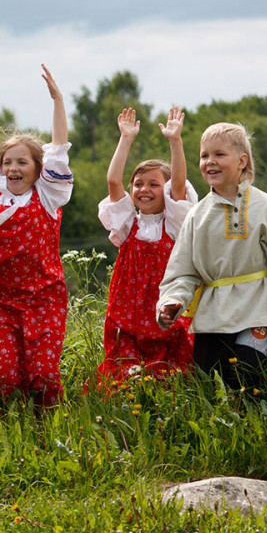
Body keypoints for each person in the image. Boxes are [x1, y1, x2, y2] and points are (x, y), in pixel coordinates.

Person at [157, 122, 267, 390]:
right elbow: (182, 271)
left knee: (247, 381)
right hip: (212, 317)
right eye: (204, 156)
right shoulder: (196, 216)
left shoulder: (265, 207)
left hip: (257, 313)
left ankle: (257, 432)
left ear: (242, 161)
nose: (210, 162)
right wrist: (172, 299)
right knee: (211, 388)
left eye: (219, 154)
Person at [0, 60, 73, 408]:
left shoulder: (47, 194)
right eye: (8, 161)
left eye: (22, 162)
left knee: (42, 376)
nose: (13, 168)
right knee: (1, 377)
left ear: (38, 170)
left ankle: (46, 434)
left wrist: (57, 101)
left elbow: (58, 147)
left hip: (41, 297)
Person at [96, 107, 197, 391]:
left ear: (165, 192)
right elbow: (114, 181)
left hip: (164, 305)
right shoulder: (128, 223)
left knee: (171, 369)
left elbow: (178, 183)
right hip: (127, 308)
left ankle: (166, 405)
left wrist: (175, 142)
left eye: (154, 184)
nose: (144, 189)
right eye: (138, 184)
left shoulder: (175, 223)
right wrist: (125, 138)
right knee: (123, 365)